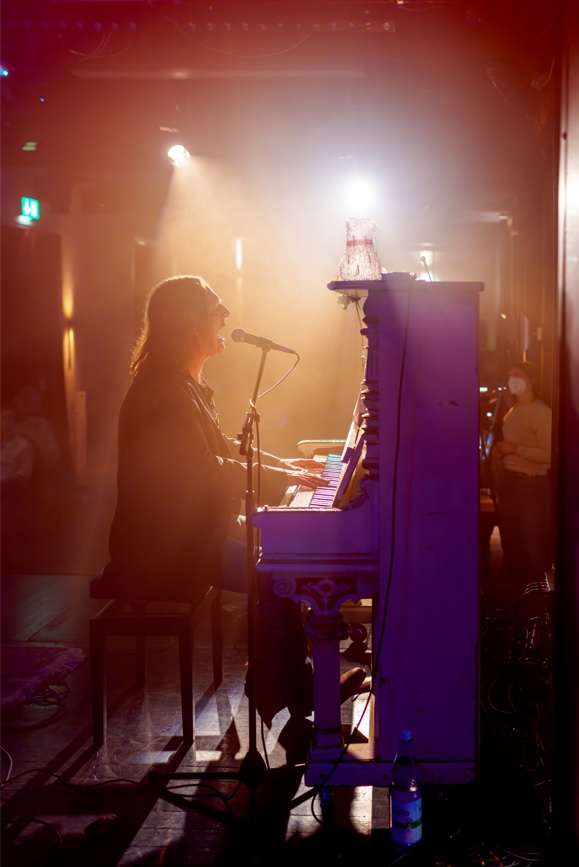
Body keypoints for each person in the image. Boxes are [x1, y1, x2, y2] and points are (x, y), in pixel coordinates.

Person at [103, 275, 366, 743]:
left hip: (192, 533)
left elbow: (225, 450)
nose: (225, 317)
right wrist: (285, 478)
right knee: (276, 568)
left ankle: (285, 688)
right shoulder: (162, 390)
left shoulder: (182, 384)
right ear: (190, 324)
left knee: (284, 556)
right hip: (163, 550)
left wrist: (288, 467)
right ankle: (292, 692)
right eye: (216, 309)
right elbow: (204, 470)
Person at [493, 361, 552, 607]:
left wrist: (515, 449)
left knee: (532, 544)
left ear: (532, 380)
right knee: (512, 542)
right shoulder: (513, 410)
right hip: (511, 483)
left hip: (531, 485)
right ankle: (515, 602)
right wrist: (501, 452)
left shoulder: (542, 413)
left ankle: (538, 604)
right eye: (510, 376)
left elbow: (549, 455)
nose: (512, 380)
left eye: (518, 375)